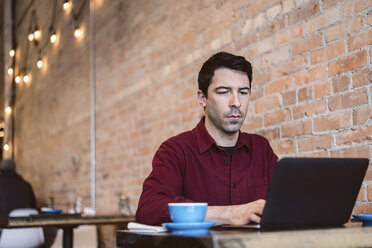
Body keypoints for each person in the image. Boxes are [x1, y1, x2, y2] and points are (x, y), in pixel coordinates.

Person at [136, 52, 278, 226]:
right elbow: (149, 209)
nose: (236, 102)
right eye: (224, 92)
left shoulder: (261, 149)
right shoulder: (175, 150)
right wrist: (230, 214)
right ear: (202, 98)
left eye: (243, 92)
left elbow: (287, 204)